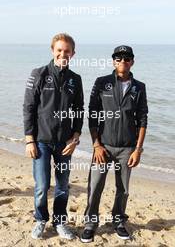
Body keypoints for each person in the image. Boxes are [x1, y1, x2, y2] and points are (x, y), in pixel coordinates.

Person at [81, 45, 148, 243]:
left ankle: (118, 220)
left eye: (127, 58)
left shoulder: (139, 87)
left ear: (132, 62)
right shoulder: (102, 83)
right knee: (95, 186)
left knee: (123, 189)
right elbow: (92, 114)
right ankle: (90, 223)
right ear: (113, 61)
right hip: (103, 146)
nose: (122, 61)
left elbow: (143, 119)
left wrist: (138, 149)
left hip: (127, 148)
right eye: (118, 58)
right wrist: (96, 145)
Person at [23, 33, 84, 240]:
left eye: (67, 51)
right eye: (59, 50)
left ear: (73, 54)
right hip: (40, 142)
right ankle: (41, 220)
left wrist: (75, 137)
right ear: (52, 50)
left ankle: (60, 222)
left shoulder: (75, 80)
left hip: (65, 143)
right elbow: (28, 108)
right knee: (41, 186)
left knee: (62, 186)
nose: (62, 54)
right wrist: (29, 139)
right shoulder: (38, 74)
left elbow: (79, 110)